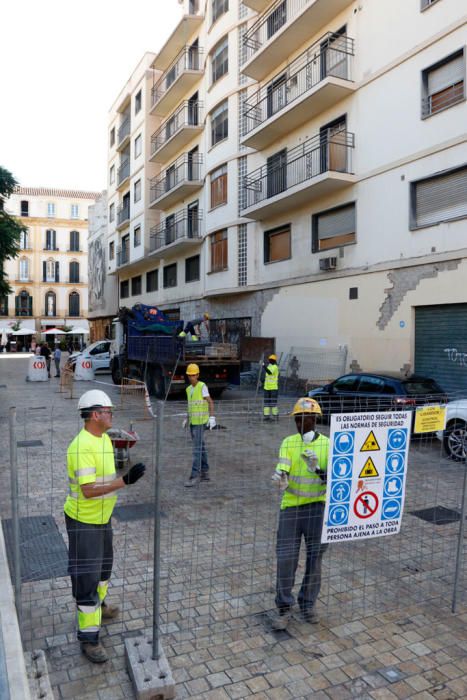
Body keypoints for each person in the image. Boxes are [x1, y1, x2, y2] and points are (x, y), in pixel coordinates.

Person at [63, 390, 146, 663]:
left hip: (101, 518)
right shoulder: (81, 446)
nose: (112, 414)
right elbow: (87, 490)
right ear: (95, 414)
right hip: (83, 521)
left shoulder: (104, 441)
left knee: (102, 570)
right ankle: (89, 638)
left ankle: (99, 607)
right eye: (108, 411)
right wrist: (125, 481)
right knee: (87, 576)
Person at [271, 397, 329, 630]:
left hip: (318, 506)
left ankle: (308, 603)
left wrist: (318, 469)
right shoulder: (288, 443)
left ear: (314, 419)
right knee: (286, 558)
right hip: (292, 506)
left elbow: (337, 481)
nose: (299, 423)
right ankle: (284, 607)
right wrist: (281, 479)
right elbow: (282, 467)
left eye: (304, 418)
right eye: (297, 418)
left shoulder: (328, 444)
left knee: (315, 559)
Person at [183, 363, 216, 487]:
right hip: (193, 423)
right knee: (200, 447)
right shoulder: (188, 389)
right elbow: (190, 405)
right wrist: (187, 418)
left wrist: (212, 417)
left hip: (201, 423)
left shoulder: (202, 386)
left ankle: (194, 475)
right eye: (189, 375)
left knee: (197, 450)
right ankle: (205, 472)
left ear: (197, 375)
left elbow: (210, 402)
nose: (191, 377)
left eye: (193, 375)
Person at [263, 354, 280, 422]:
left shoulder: (275, 367)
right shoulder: (269, 366)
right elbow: (267, 375)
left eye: (271, 360)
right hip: (267, 387)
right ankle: (266, 416)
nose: (270, 361)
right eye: (269, 360)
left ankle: (275, 416)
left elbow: (269, 373)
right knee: (266, 403)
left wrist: (264, 366)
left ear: (274, 360)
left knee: (273, 403)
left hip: (273, 388)